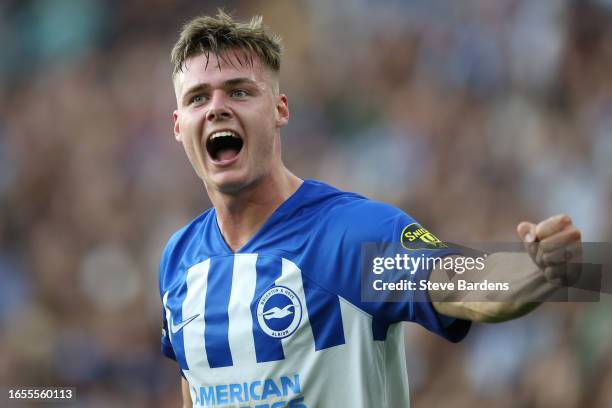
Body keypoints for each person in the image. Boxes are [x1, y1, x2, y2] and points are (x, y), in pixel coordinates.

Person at [159, 11, 583, 408]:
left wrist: (537, 269)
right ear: (179, 126)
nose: (217, 107)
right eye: (198, 98)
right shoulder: (179, 261)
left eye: (239, 91)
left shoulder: (350, 235)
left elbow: (459, 282)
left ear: (279, 109)